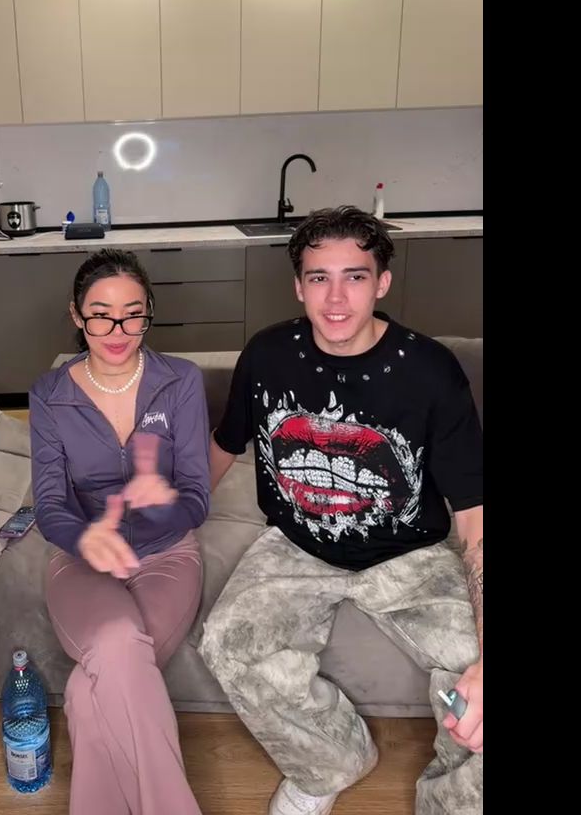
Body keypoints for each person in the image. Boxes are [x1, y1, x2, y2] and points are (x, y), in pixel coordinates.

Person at [199, 206, 483, 815]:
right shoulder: (267, 354)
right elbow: (226, 441)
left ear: (382, 283)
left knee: (478, 683)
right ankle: (329, 763)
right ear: (298, 286)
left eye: (354, 276)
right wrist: (175, 510)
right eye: (318, 277)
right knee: (226, 644)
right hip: (296, 543)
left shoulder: (431, 371)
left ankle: (452, 804)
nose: (335, 298)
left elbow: (474, 514)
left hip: (411, 553)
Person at [29, 247, 210, 815]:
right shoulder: (50, 394)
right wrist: (85, 539)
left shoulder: (180, 381)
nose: (118, 332)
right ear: (76, 315)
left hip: (167, 556)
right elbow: (49, 503)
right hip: (81, 559)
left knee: (91, 689)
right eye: (101, 316)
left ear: (149, 311)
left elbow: (198, 496)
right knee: (114, 642)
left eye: (133, 315)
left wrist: (164, 506)